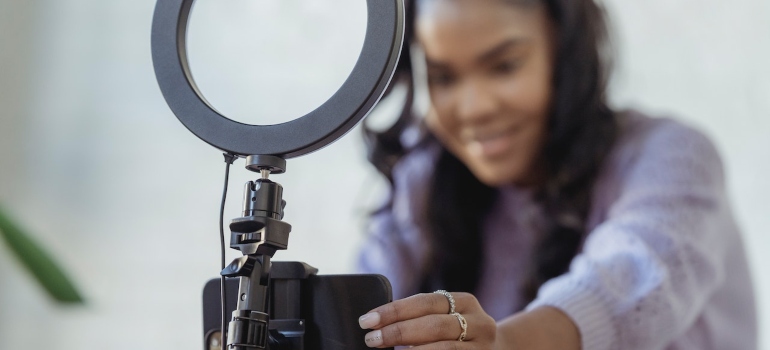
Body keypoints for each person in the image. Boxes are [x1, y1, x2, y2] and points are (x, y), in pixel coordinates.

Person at [356, 0, 757, 349]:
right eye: (444, 78)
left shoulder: (672, 157)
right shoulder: (422, 180)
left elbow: (628, 281)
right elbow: (364, 307)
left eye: (504, 66)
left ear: (565, 51)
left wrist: (506, 344)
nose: (474, 108)